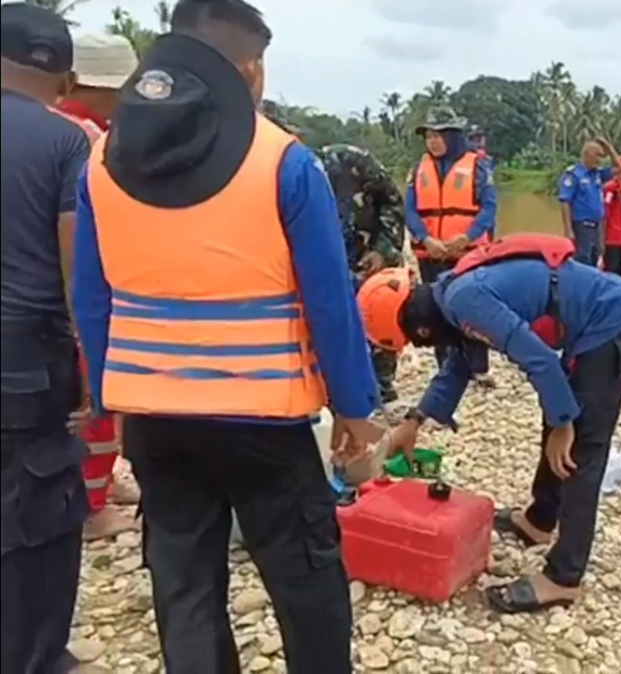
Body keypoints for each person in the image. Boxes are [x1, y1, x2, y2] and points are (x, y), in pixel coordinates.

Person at [72, 1, 380, 671]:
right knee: (305, 584)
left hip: (154, 418)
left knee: (183, 588)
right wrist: (354, 407)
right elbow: (330, 301)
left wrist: (108, 398)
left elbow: (92, 299)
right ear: (252, 71)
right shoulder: (283, 161)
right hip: (262, 419)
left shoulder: (103, 160)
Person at [357, 234, 621, 614]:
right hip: (591, 321)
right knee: (559, 420)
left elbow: (540, 360)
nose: (423, 347)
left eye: (416, 342)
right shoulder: (450, 294)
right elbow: (460, 364)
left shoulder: (465, 301)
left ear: (420, 329)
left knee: (580, 448)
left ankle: (564, 577)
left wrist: (564, 423)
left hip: (610, 321)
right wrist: (415, 420)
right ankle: (540, 519)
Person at [1, 5, 91, 672]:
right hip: (24, 365)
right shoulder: (65, 143)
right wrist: (89, 361)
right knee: (40, 522)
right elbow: (75, 266)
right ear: (64, 79)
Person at [57, 32, 144, 542]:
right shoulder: (87, 140)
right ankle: (90, 507)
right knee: (97, 400)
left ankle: (100, 485)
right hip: (86, 291)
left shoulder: (61, 126)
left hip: (55, 291)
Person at [403, 107, 498, 386]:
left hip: (466, 252)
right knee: (434, 308)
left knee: (473, 306)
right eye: (429, 136)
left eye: (438, 135)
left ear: (453, 136)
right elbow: (410, 210)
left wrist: (466, 237)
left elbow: (489, 209)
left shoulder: (478, 166)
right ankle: (445, 367)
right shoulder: (417, 169)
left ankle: (478, 367)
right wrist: (426, 238)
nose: (432, 141)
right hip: (430, 251)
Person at [319, 143, 407, 405]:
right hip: (327, 263)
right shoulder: (279, 177)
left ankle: (381, 386)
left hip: (370, 257)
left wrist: (383, 248)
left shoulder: (351, 160)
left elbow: (393, 201)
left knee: (381, 315)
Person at [558, 138, 621, 266]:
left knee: (594, 258)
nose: (600, 159)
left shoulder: (597, 174)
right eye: (598, 155)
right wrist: (568, 230)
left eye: (601, 156)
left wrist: (609, 148)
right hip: (581, 225)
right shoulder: (574, 175)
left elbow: (619, 167)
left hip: (596, 226)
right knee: (582, 259)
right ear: (588, 154)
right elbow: (565, 202)